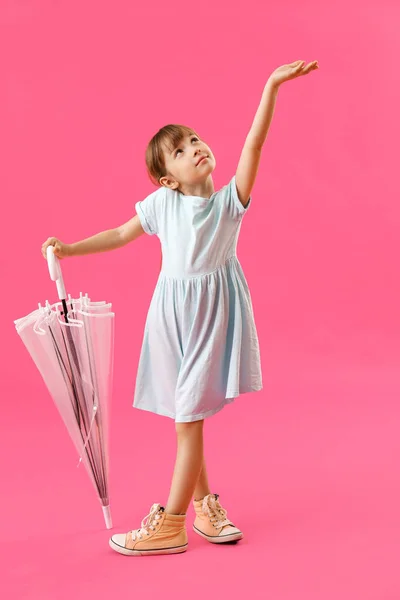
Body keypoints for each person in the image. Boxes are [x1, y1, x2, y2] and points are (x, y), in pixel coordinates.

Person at [41, 59, 319, 557]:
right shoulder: (162, 206)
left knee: (189, 418)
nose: (196, 148)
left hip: (212, 316)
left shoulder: (228, 202)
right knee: (183, 415)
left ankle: (171, 523)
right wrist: (70, 249)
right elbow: (120, 234)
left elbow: (253, 145)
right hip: (170, 316)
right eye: (181, 150)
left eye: (195, 140)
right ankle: (205, 507)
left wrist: (271, 86)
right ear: (165, 180)